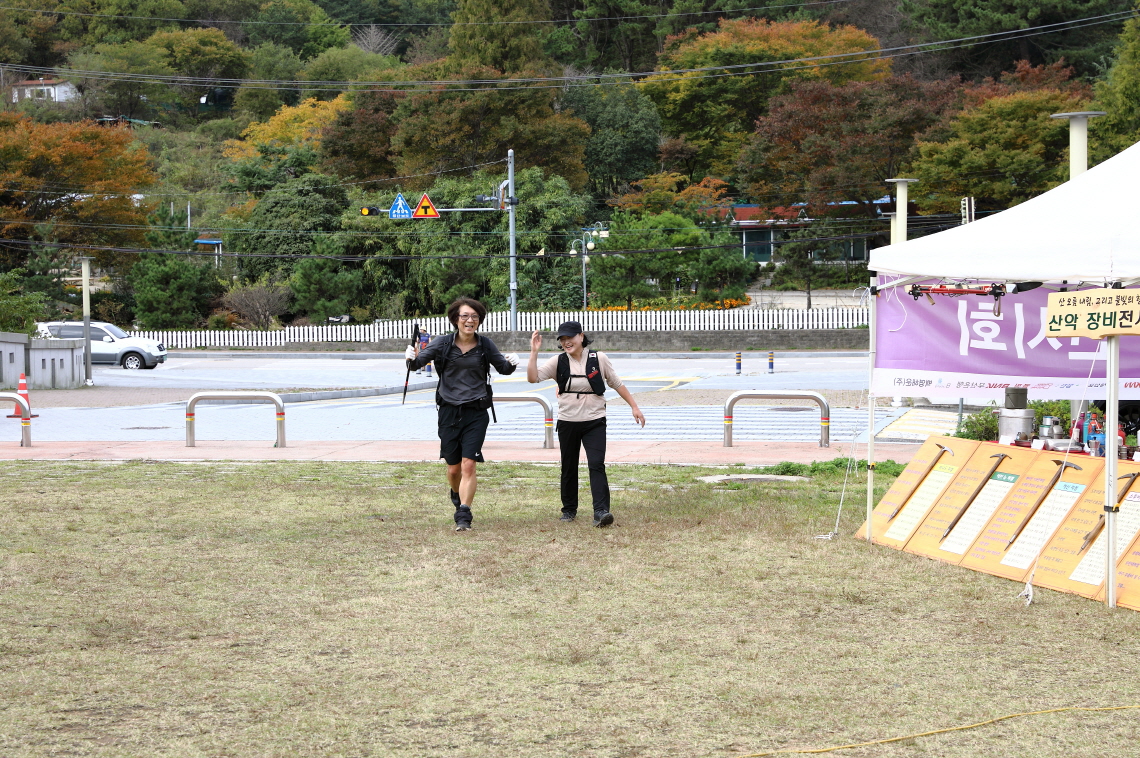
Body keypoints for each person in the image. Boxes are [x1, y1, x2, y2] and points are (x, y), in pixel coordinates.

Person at [406, 298, 518, 531]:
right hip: (448, 411)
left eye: (475, 316)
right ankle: (456, 492)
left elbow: (504, 369)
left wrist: (512, 362)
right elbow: (416, 364)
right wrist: (410, 357)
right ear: (455, 319)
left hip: (476, 412)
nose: (470, 320)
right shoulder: (442, 343)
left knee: (469, 465)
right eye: (465, 316)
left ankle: (464, 514)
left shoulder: (485, 345)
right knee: (453, 468)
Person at [527, 321, 645, 527]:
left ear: (581, 336)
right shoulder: (558, 361)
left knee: (596, 464)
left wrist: (634, 406)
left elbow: (616, 383)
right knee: (569, 466)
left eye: (570, 338)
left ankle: (601, 511)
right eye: (563, 339)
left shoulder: (599, 358)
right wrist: (534, 352)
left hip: (594, 421)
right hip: (568, 421)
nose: (566, 342)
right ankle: (569, 510)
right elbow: (532, 378)